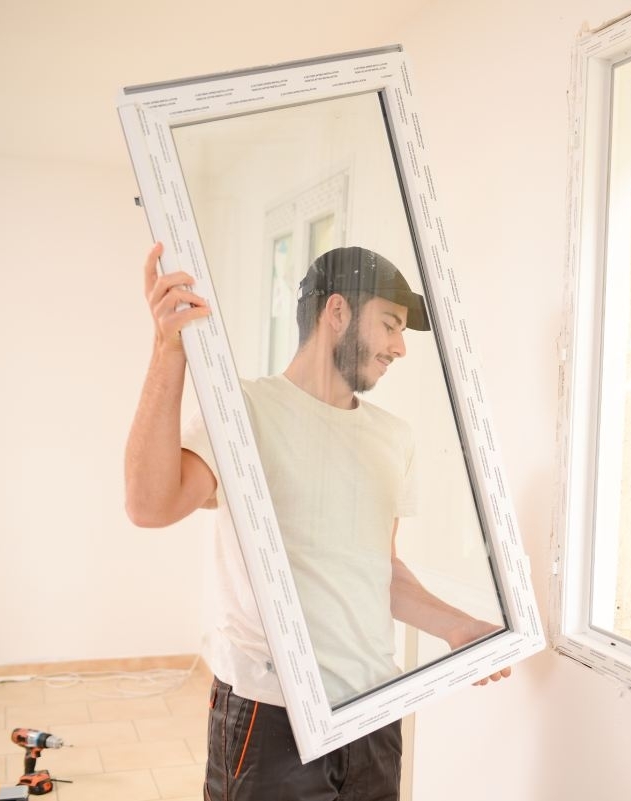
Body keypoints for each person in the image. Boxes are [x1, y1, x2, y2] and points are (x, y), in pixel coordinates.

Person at [125, 243, 509, 801]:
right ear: (337, 312)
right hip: (275, 716)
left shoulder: (392, 437)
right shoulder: (245, 411)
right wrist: (169, 350)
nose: (400, 348)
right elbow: (150, 504)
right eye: (390, 325)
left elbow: (380, 571)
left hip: (375, 713)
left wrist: (458, 626)